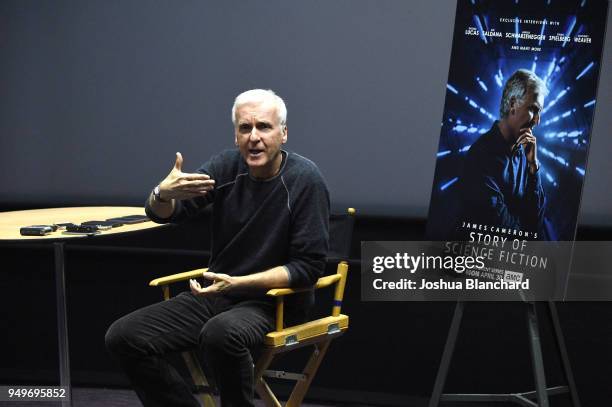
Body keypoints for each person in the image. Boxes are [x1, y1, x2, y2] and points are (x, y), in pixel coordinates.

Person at [105, 89, 330, 407]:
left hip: (274, 304)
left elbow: (307, 268)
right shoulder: (226, 166)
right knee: (124, 337)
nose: (254, 137)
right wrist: (161, 193)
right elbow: (167, 214)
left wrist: (241, 282)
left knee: (220, 335)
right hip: (218, 295)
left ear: (284, 133)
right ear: (236, 135)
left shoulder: (305, 180)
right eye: (244, 128)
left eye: (264, 127)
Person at [458, 69, 549, 240]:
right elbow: (498, 228)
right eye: (533, 109)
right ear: (513, 104)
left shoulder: (525, 155)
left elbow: (537, 221)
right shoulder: (480, 155)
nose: (537, 120)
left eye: (540, 112)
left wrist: (533, 167)